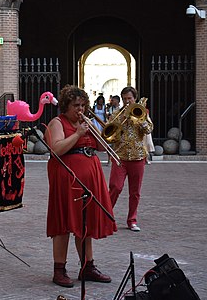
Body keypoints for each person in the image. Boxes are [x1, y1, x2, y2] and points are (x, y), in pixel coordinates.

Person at [44, 85, 116, 288]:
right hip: (67, 178)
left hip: (90, 176)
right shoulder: (57, 123)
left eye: (83, 105)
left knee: (85, 223)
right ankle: (59, 269)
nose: (80, 110)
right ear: (66, 106)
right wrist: (76, 134)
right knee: (64, 222)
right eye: (76, 105)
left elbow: (102, 147)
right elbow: (56, 149)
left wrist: (99, 130)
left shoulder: (86, 123)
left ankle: (87, 266)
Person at [108, 87, 153, 232]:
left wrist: (139, 120)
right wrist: (121, 120)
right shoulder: (117, 114)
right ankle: (106, 216)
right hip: (120, 156)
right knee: (115, 186)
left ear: (134, 98)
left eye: (130, 98)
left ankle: (132, 220)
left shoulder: (142, 112)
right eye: (125, 99)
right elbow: (109, 134)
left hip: (137, 156)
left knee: (135, 192)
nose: (127, 101)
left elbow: (149, 130)